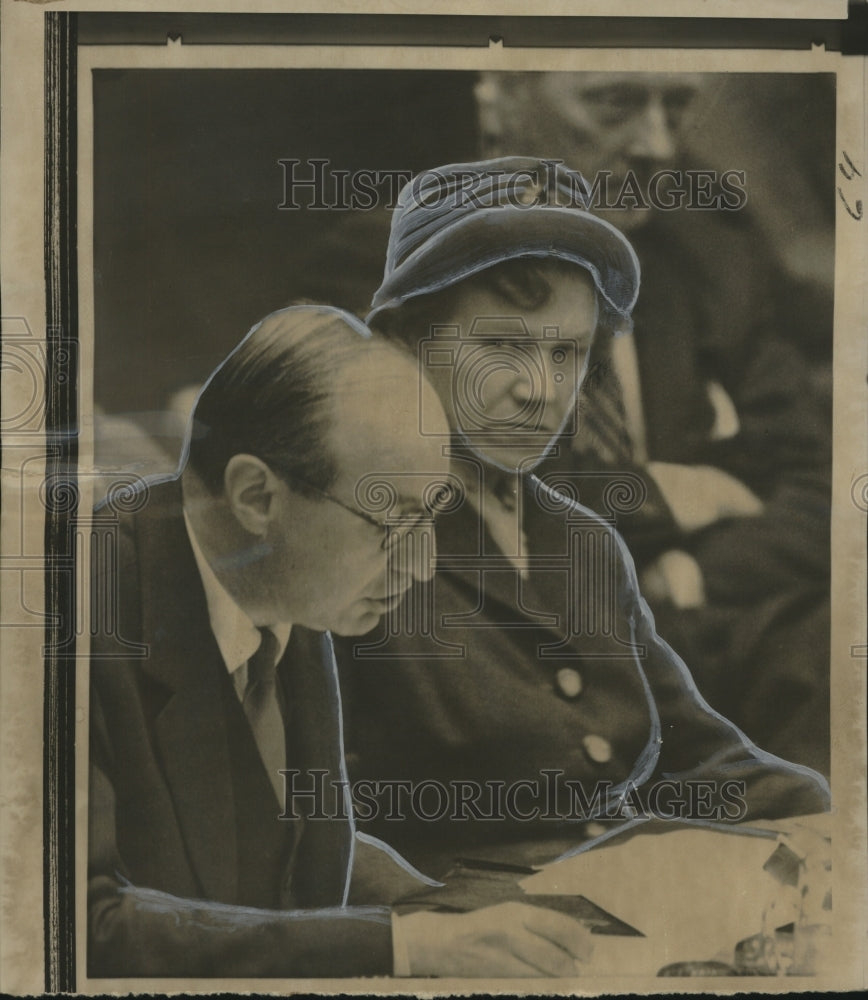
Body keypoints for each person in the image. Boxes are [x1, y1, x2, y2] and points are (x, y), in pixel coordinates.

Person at [334, 158, 830, 872]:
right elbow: (315, 836)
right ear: (403, 343)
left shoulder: (580, 542)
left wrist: (814, 819)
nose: (544, 392)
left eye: (568, 354)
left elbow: (701, 757)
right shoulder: (350, 539)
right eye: (502, 347)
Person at [87, 304, 597, 978]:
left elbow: (288, 849)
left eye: (431, 520)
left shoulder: (282, 582)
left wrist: (445, 918)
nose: (419, 569)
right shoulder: (67, 618)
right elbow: (85, 933)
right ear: (255, 497)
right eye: (390, 524)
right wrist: (401, 947)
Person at [472, 73, 833, 774]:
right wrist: (683, 493)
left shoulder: (711, 263)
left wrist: (684, 574)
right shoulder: (403, 266)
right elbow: (494, 499)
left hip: (701, 623)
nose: (658, 146)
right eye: (614, 102)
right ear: (500, 101)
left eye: (676, 107)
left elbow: (822, 486)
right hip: (521, 654)